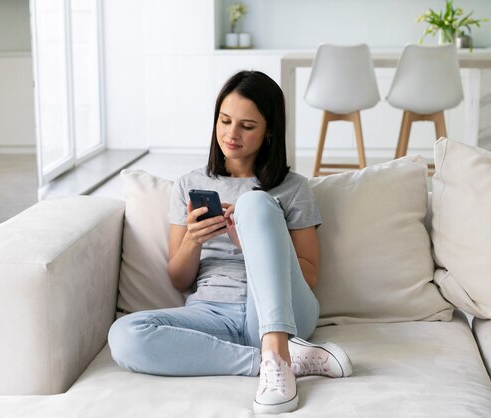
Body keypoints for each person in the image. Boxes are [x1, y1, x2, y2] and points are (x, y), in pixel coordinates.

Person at [108, 70, 352, 414]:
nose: (231, 134)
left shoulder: (293, 187)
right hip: (210, 314)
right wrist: (193, 242)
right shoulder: (188, 184)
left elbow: (309, 276)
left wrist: (249, 242)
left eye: (247, 126)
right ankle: (276, 360)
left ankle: (276, 344)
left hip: (281, 311)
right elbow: (179, 280)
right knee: (124, 335)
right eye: (224, 121)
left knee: (254, 203)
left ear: (269, 132)